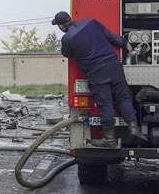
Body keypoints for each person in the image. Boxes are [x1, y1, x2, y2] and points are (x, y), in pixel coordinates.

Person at [52, 11, 146, 148]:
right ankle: (134, 128)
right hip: (113, 65)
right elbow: (110, 36)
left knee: (105, 104)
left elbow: (67, 53)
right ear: (70, 18)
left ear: (61, 26)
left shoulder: (67, 39)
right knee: (123, 98)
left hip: (96, 72)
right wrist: (125, 43)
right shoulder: (91, 22)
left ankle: (109, 139)